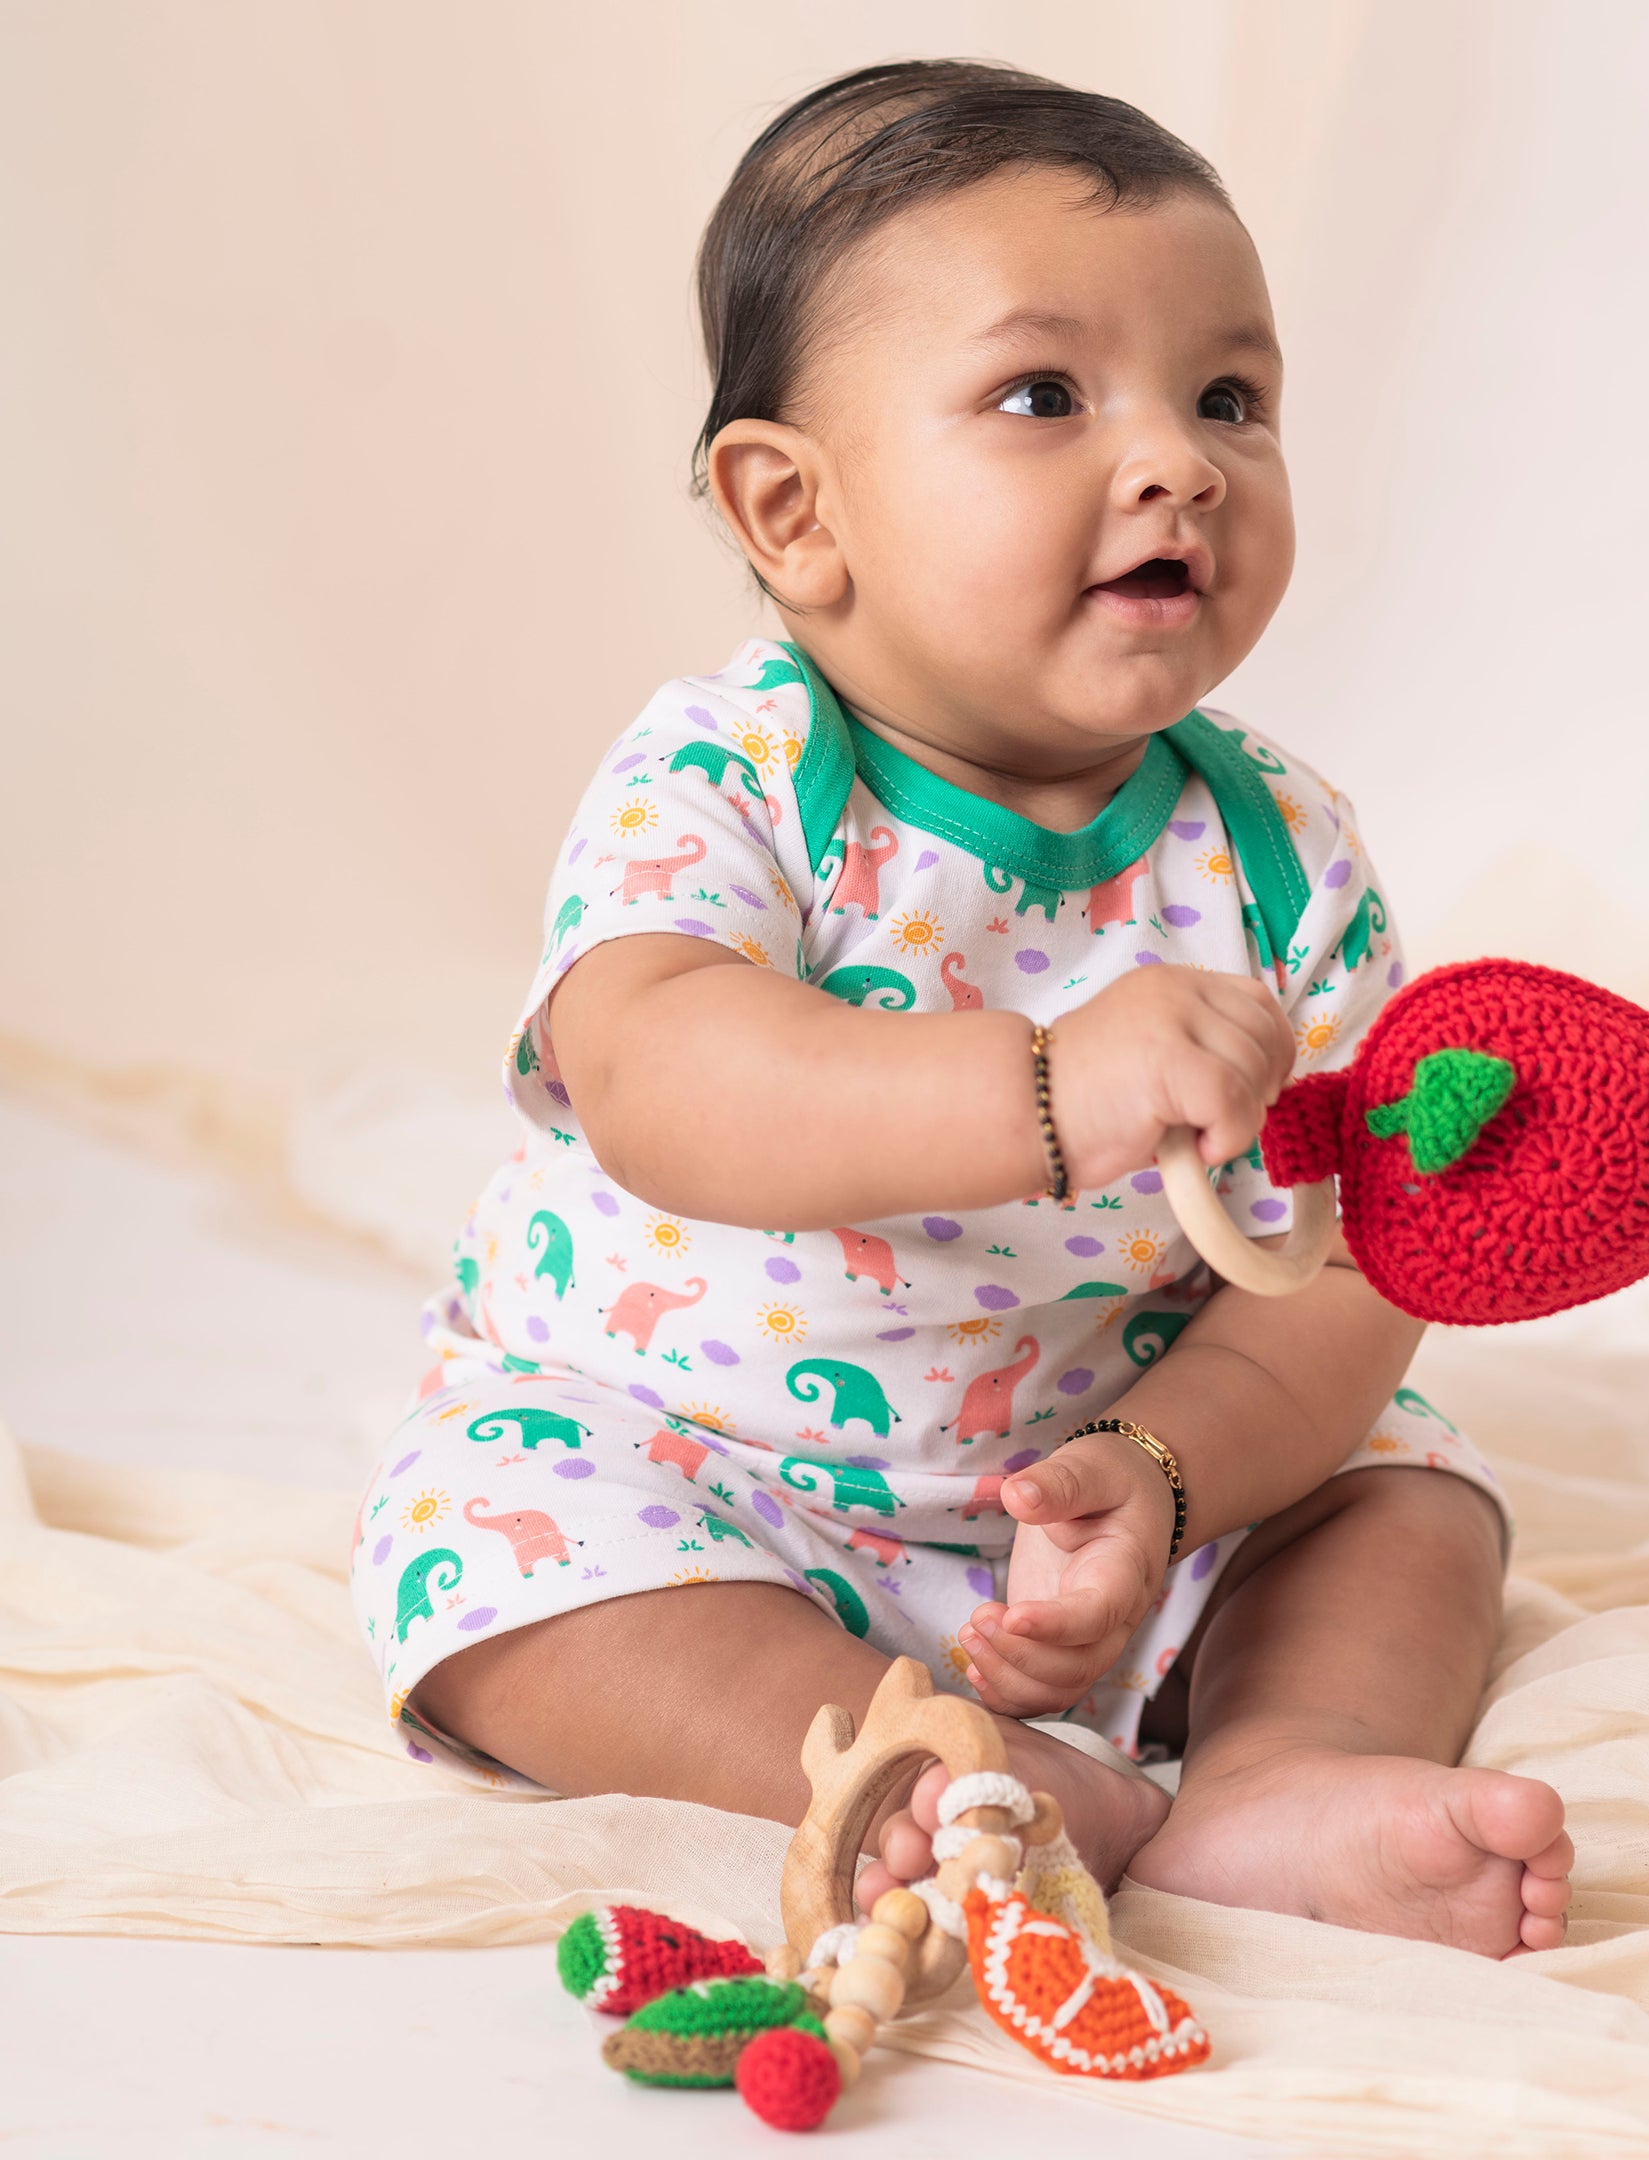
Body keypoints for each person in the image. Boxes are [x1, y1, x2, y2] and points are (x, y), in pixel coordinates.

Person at [351, 58, 1572, 1954]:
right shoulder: (734, 773)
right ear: (795, 512)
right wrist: (1047, 1086)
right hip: (693, 1464)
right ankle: (897, 1756)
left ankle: (1278, 1771)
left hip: (1107, 1477)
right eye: (1043, 396)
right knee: (487, 1574)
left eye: (1230, 398)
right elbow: (663, 1072)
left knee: (1411, 1503)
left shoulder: (1281, 850)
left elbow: (1347, 1259)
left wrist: (1168, 1482)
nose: (1178, 459)